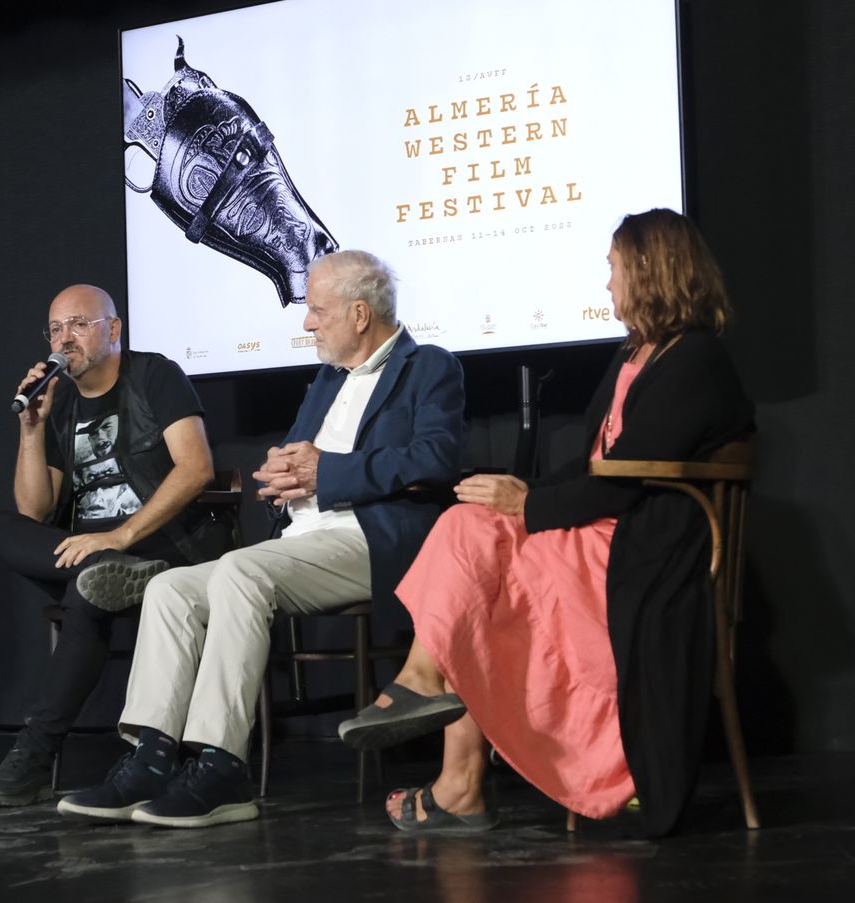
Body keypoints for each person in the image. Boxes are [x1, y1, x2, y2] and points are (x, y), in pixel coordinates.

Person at [336, 209, 755, 837]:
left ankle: (455, 766)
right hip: (606, 531)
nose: (607, 286)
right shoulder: (638, 352)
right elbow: (596, 464)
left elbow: (629, 477)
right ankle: (432, 705)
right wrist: (519, 493)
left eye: (613, 270)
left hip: (645, 549)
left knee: (475, 573)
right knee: (465, 525)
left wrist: (526, 506)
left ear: (649, 271)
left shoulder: (695, 359)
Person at [56, 249, 466, 829]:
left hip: (373, 539)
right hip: (304, 538)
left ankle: (222, 768)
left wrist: (329, 471)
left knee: (239, 572)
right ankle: (149, 758)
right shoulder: (326, 379)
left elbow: (436, 459)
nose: (306, 323)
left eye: (317, 311)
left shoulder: (429, 367)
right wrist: (281, 474)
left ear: (358, 313)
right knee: (171, 588)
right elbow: (299, 456)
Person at [0, 285, 229, 807]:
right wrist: (32, 429)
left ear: (113, 330)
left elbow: (197, 467)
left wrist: (120, 536)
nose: (65, 339)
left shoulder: (154, 375)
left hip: (160, 547)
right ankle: (103, 568)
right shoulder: (61, 400)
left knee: (88, 593)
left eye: (79, 325)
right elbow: (34, 512)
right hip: (91, 554)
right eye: (56, 329)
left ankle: (35, 754)